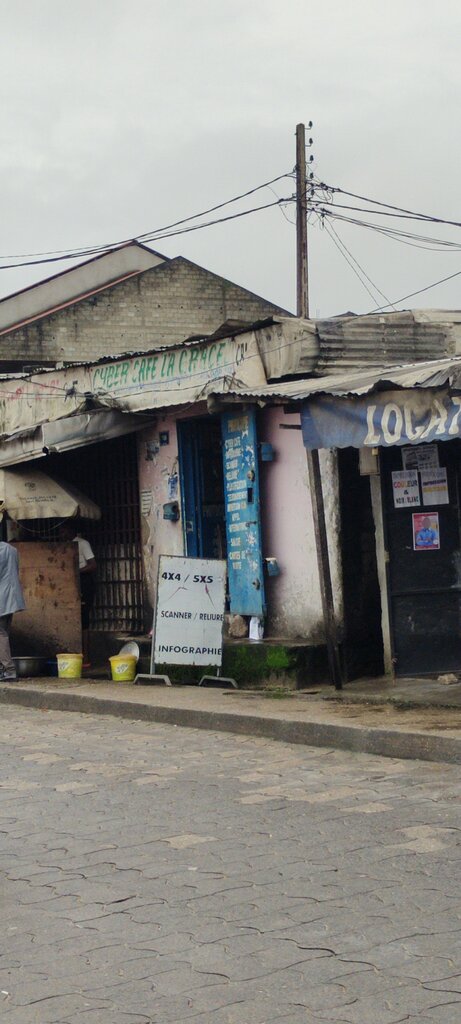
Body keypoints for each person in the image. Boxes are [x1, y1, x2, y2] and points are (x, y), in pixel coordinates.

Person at [60, 523, 97, 666]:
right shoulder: (66, 546)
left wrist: (77, 571)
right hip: (72, 583)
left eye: (63, 531)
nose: (61, 534)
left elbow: (93, 565)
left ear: (71, 530)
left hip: (84, 582)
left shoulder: (83, 544)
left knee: (83, 619)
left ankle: (86, 658)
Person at [0, 541, 26, 680]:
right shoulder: (11, 549)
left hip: (2, 597)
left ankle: (9, 669)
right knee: (4, 632)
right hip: (11, 596)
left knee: (1, 634)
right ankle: (3, 669)